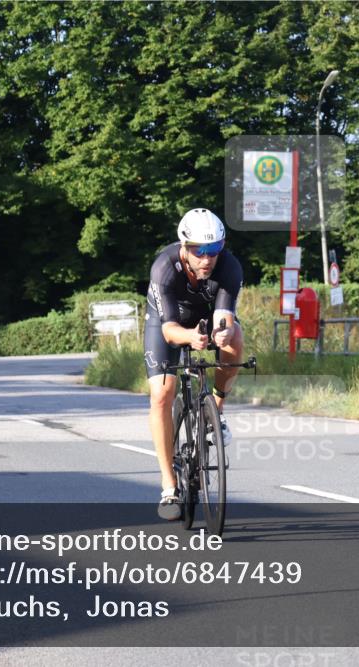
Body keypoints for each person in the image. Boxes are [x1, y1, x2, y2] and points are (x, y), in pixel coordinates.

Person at [145, 208, 244, 520]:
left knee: (234, 338)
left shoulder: (229, 266)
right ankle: (169, 486)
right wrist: (190, 337)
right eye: (199, 251)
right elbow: (169, 331)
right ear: (184, 247)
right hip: (168, 321)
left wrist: (222, 332)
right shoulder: (164, 268)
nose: (207, 258)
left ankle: (217, 411)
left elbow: (224, 316)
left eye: (214, 249)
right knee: (162, 394)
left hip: (206, 315)